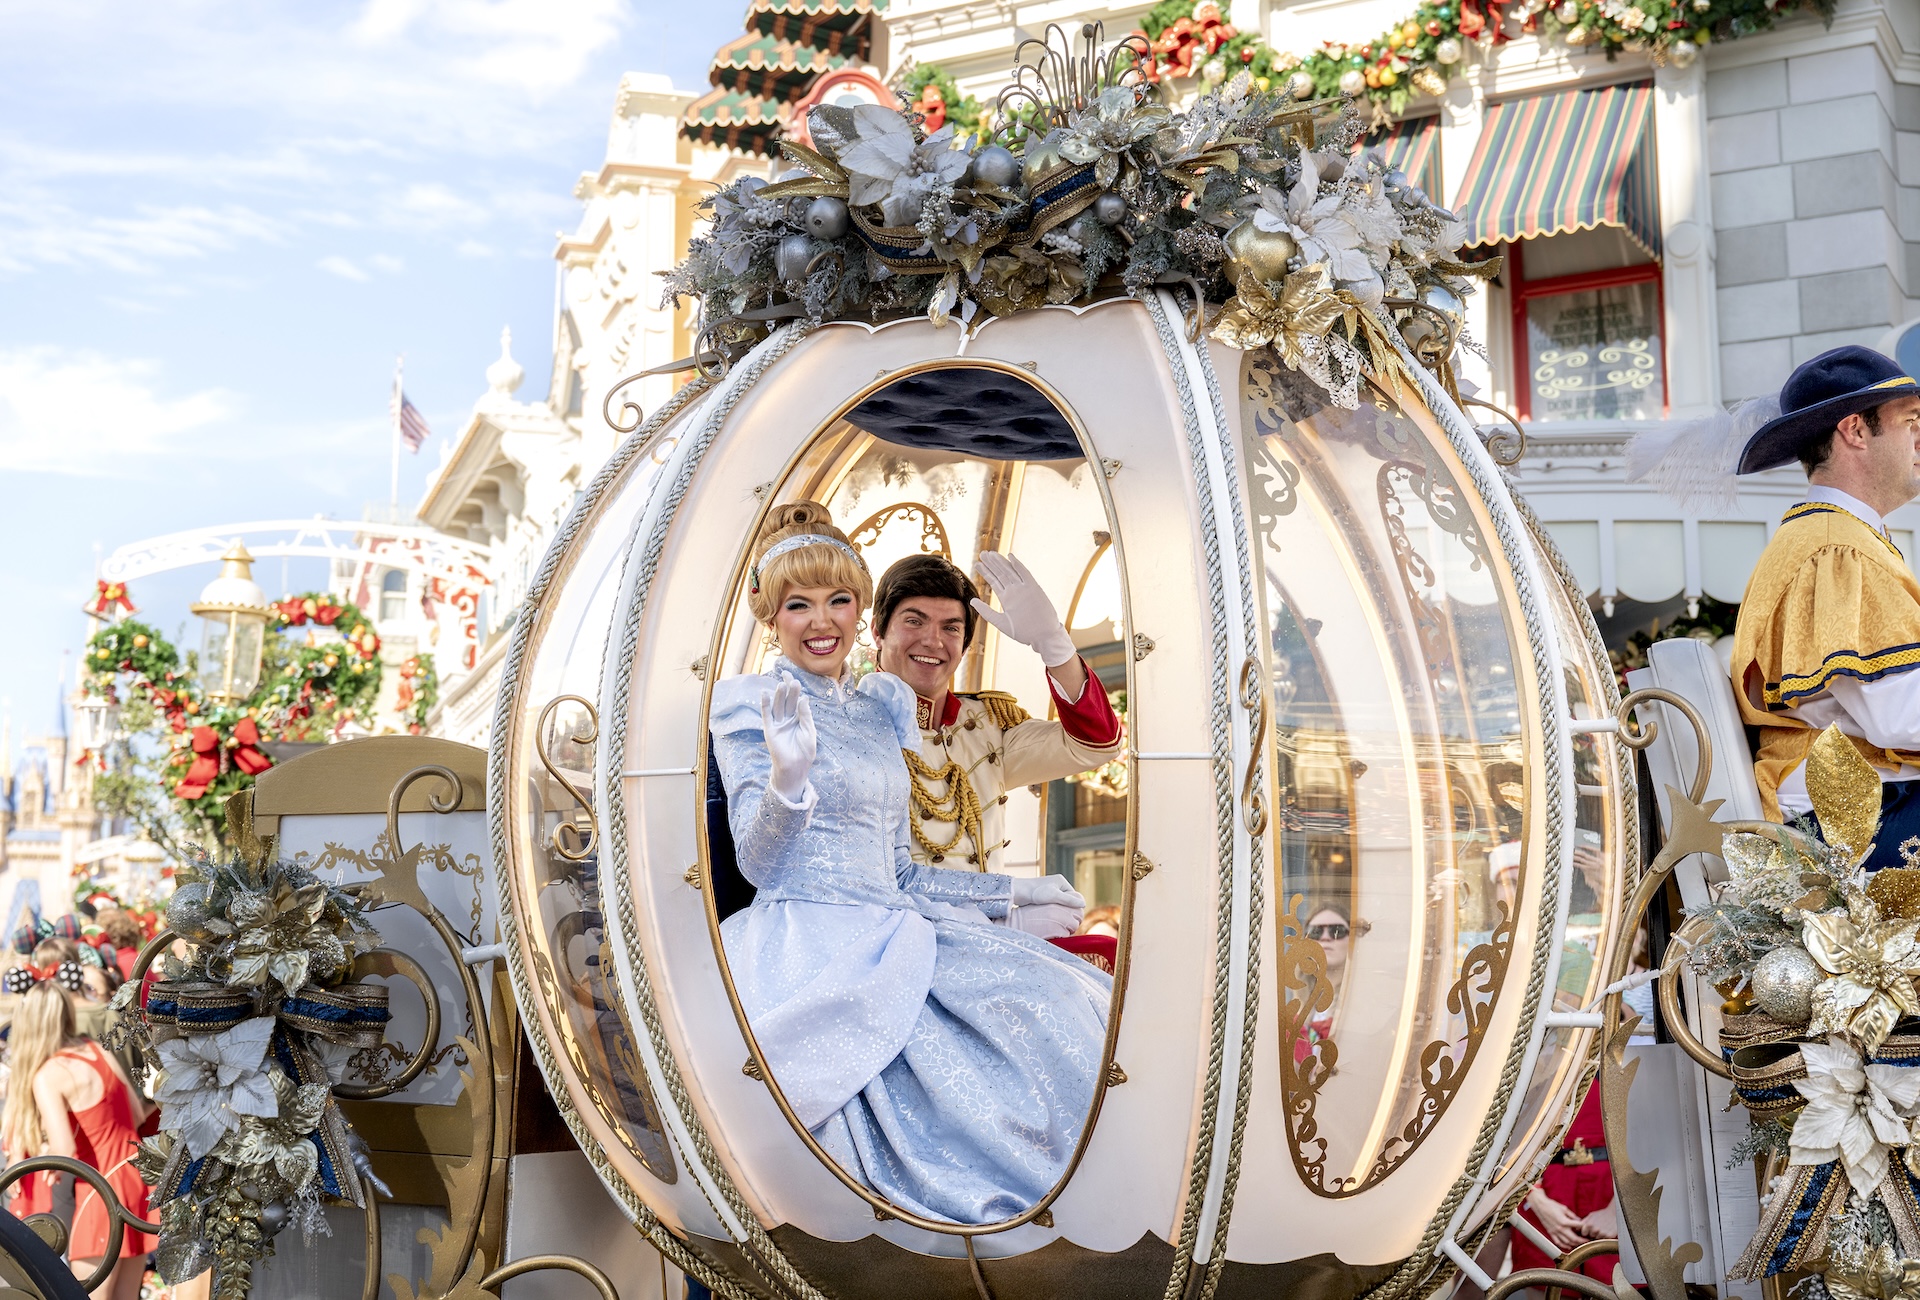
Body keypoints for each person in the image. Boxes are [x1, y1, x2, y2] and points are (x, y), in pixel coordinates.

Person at [711, 501, 1112, 1225]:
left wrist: (1011, 897)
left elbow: (902, 875)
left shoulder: (881, 711)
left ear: (856, 610)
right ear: (772, 616)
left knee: (1069, 998)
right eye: (798, 604)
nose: (820, 620)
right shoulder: (752, 704)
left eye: (836, 599)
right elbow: (759, 862)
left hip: (902, 922)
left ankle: (1086, 1220)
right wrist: (787, 783)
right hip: (809, 940)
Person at [1727, 346, 1920, 865]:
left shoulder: (1833, 538)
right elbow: (1900, 714)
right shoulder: (1838, 547)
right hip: (1850, 819)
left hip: (1857, 808)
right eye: (1911, 421)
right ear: (1855, 430)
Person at [871, 553, 1122, 897]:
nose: (933, 641)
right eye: (914, 621)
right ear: (877, 632)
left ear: (964, 647)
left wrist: (1054, 643)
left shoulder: (988, 727)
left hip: (987, 933)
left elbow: (1096, 744)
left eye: (951, 628)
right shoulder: (847, 726)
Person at [2, 982, 154, 1300]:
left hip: (100, 1192)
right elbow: (138, 1113)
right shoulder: (95, 1050)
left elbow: (64, 1151)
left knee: (82, 1295)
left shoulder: (49, 1073)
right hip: (139, 1180)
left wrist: (32, 1158)